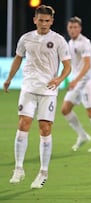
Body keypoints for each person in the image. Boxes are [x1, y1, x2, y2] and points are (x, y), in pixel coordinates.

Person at [3, 5, 71, 189]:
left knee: (45, 128)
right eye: (40, 20)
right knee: (23, 124)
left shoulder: (58, 40)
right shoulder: (26, 39)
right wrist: (9, 78)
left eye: (47, 21)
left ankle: (43, 172)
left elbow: (67, 66)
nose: (43, 24)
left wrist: (59, 79)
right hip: (28, 88)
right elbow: (18, 58)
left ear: (52, 22)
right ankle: (18, 168)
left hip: (48, 91)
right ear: (35, 20)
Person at [61, 16, 91, 152]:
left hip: (87, 82)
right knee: (65, 109)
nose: (72, 30)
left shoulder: (85, 43)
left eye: (75, 27)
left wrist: (75, 80)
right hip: (77, 82)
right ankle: (82, 135)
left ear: (80, 28)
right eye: (70, 27)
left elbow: (87, 65)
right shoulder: (70, 43)